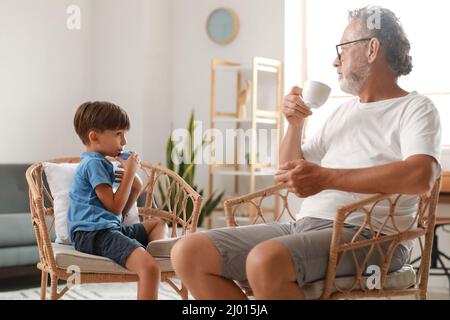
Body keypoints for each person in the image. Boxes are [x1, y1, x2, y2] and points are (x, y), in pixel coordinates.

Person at [171, 6, 442, 299]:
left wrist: (326, 178)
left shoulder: (415, 108)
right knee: (189, 252)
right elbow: (288, 172)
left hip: (372, 238)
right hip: (305, 226)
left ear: (372, 49)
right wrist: (295, 124)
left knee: (265, 261)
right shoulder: (343, 112)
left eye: (343, 49)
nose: (335, 61)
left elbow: (421, 175)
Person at [67, 101, 167, 300]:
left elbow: (118, 215)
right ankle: (148, 262)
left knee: (157, 224)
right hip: (93, 233)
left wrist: (135, 187)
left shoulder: (102, 163)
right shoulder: (94, 164)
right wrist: (129, 174)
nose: (124, 141)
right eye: (118, 134)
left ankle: (151, 252)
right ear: (94, 137)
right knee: (150, 269)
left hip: (108, 228)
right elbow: (113, 208)